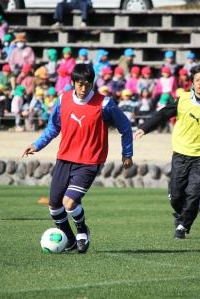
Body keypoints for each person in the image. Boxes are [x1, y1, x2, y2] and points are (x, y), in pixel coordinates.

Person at [22, 63, 133, 253]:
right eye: (79, 84)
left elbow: (125, 127)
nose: (83, 88)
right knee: (54, 206)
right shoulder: (63, 100)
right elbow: (53, 127)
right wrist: (37, 145)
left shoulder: (105, 104)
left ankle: (82, 231)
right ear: (72, 82)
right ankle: (71, 240)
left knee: (69, 202)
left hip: (90, 161)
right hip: (65, 158)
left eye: (88, 84)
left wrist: (127, 153)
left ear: (93, 83)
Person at [134, 63, 200, 239]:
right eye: (197, 80)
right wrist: (144, 128)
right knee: (176, 196)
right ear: (192, 83)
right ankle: (186, 212)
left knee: (193, 193)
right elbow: (163, 114)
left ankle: (182, 225)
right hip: (180, 153)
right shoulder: (183, 100)